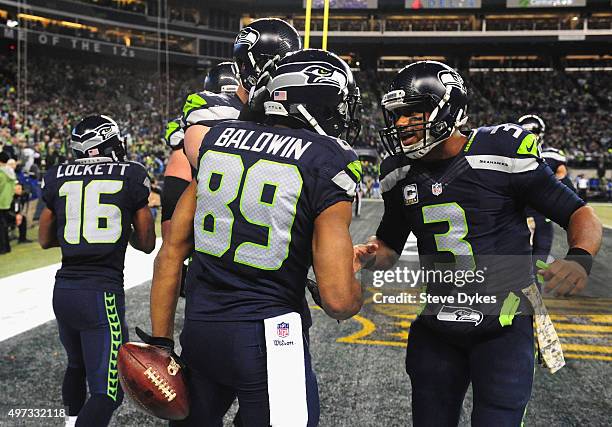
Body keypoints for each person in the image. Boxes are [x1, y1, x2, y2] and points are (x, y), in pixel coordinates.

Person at [354, 61, 602, 426]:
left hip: (503, 326)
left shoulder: (502, 150)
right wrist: (371, 254)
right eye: (397, 115)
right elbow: (391, 244)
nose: (402, 123)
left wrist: (580, 258)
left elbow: (581, 215)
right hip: (437, 327)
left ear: (448, 108)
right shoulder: (398, 172)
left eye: (412, 112)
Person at [139, 49, 364, 426]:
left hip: (201, 332)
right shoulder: (328, 159)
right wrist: (353, 282)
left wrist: (161, 344)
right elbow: (339, 301)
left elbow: (172, 251)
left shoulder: (219, 139)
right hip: (273, 338)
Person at [38, 115, 156, 427]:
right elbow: (146, 242)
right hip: (101, 293)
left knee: (76, 366)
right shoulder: (132, 174)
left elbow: (45, 239)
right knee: (108, 393)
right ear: (102, 144)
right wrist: (122, 221)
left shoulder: (57, 175)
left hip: (63, 291)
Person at [517, 114, 576, 269]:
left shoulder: (508, 157)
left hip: (519, 215)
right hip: (537, 216)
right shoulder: (550, 155)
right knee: (536, 262)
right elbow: (564, 180)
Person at [0, 151, 16, 254]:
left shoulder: (1, 173)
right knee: (4, 226)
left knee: (1, 227)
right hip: (8, 201)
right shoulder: (11, 172)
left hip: (0, 202)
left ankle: (2, 248)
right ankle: (7, 247)